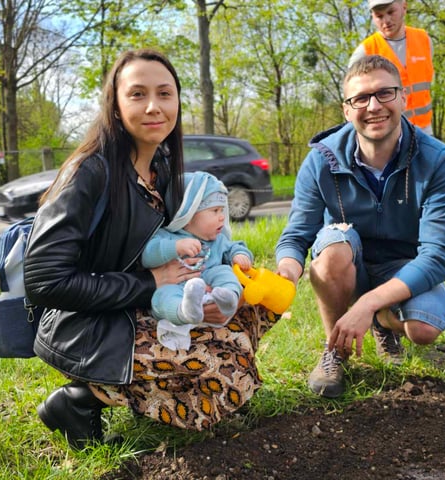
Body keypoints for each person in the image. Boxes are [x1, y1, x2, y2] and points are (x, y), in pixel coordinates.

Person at [22, 49, 278, 450]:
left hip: (150, 301)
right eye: (138, 94)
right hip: (87, 322)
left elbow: (195, 234)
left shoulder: (161, 166)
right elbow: (43, 281)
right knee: (222, 369)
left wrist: (225, 263)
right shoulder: (89, 173)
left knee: (247, 313)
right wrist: (149, 282)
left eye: (165, 93)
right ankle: (79, 401)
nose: (154, 106)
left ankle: (156, 382)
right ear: (116, 104)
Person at [275, 55, 445, 398]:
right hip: (350, 261)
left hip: (404, 269)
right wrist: (286, 271)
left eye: (384, 94)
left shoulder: (438, 161)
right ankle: (335, 350)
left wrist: (367, 306)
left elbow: (438, 257)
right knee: (331, 250)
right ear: (347, 110)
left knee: (423, 328)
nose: (373, 106)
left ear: (403, 97)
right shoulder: (322, 159)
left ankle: (379, 322)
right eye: (360, 98)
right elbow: (297, 234)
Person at [142, 171, 252, 350]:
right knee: (161, 296)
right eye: (215, 211)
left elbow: (235, 247)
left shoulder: (217, 240)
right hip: (177, 286)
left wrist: (240, 255)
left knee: (224, 272)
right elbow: (147, 255)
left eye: (222, 210)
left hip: (211, 284)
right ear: (188, 213)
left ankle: (228, 297)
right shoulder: (167, 237)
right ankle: (186, 311)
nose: (222, 217)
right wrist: (175, 247)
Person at [349, 0, 434, 135]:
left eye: (390, 12)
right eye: (379, 16)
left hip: (425, 132)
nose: (386, 20)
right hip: (389, 137)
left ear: (404, 7)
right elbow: (354, 103)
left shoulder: (424, 40)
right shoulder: (365, 52)